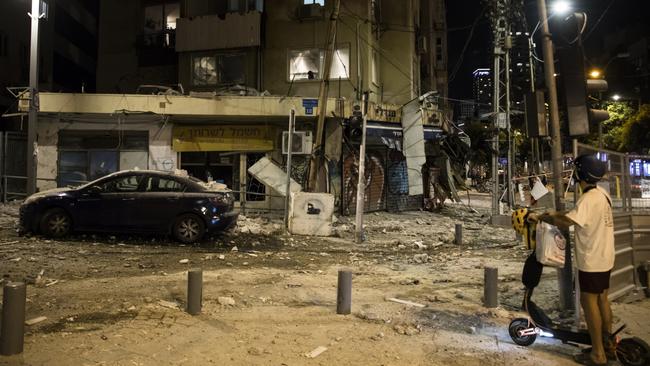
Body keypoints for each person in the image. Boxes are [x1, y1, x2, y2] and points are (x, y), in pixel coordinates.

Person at [528, 154, 614, 366]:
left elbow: (567, 222)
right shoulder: (602, 194)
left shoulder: (588, 199)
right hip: (605, 256)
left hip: (591, 260)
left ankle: (598, 355)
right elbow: (576, 215)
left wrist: (543, 217)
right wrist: (556, 213)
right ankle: (608, 346)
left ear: (580, 174)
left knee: (589, 302)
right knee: (602, 299)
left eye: (575, 170)